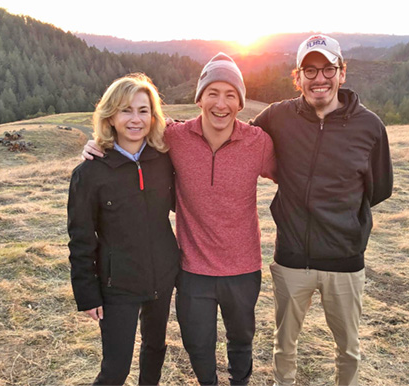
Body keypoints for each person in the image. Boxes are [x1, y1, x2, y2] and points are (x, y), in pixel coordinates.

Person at [82, 53, 277, 385]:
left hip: (244, 268)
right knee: (197, 346)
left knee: (241, 342)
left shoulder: (258, 142)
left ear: (240, 103)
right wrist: (97, 147)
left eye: (231, 94)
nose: (221, 103)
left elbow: (293, 178)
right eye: (212, 92)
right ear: (199, 97)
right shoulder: (175, 137)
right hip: (192, 268)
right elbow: (134, 129)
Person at [250, 34, 393, 386]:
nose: (319, 78)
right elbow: (234, 145)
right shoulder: (277, 117)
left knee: (348, 348)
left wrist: (342, 216)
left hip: (344, 259)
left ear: (342, 73)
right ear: (297, 77)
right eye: (310, 70)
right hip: (292, 257)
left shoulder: (370, 126)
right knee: (284, 345)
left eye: (328, 68)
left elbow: (379, 188)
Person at [67, 73, 180, 386]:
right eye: (125, 110)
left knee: (155, 348)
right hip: (117, 285)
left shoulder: (165, 161)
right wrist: (87, 293)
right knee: (116, 370)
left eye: (143, 111)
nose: (135, 119)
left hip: (163, 275)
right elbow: (80, 238)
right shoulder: (90, 172)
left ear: (153, 116)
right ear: (110, 116)